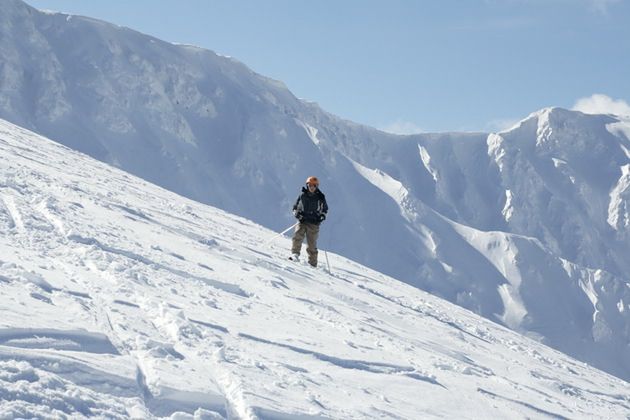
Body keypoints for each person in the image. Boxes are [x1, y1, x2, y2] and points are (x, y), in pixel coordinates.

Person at [290, 176, 328, 267]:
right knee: (297, 236)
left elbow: (325, 209)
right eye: (310, 185)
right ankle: (295, 254)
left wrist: (322, 216)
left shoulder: (320, 197)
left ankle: (313, 263)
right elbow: (295, 208)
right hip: (302, 220)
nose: (312, 187)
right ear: (307, 185)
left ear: (317, 186)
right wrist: (297, 215)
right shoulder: (302, 195)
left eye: (314, 185)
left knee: (311, 243)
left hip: (313, 223)